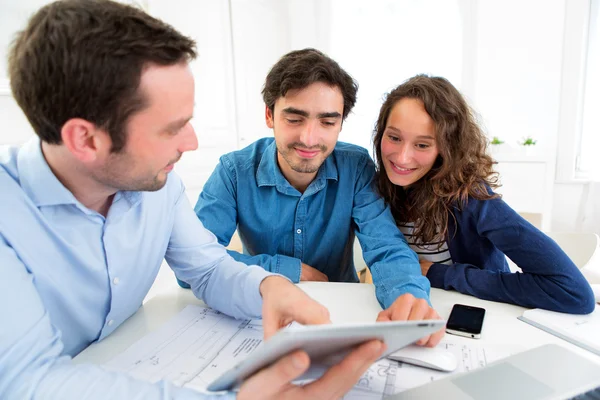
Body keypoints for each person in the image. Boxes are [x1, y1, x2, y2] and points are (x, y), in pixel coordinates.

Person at [0, 1, 387, 399]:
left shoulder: (158, 184)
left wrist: (268, 286)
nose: (192, 143)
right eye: (172, 129)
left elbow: (206, 268)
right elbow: (27, 382)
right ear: (86, 139)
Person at [190, 48, 446, 342]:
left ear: (340, 124)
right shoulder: (233, 171)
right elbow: (195, 264)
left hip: (339, 314)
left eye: (327, 122)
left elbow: (387, 247)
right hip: (258, 314)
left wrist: (409, 298)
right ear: (269, 115)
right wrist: (286, 270)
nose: (309, 139)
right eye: (295, 119)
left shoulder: (357, 167)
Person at [372, 74, 595, 314]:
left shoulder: (471, 199)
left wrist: (442, 275)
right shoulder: (375, 189)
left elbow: (574, 292)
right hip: (407, 312)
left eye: (423, 145)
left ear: (447, 148)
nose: (402, 157)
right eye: (394, 137)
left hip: (474, 319)